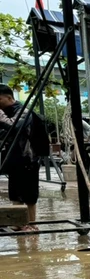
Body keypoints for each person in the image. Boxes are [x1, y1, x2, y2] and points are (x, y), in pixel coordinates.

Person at [0, 85, 49, 231]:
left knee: (29, 194)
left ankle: (32, 224)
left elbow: (15, 127)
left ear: (9, 97)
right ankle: (18, 222)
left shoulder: (24, 111)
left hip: (28, 158)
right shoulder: (5, 112)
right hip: (12, 158)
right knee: (14, 193)